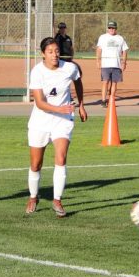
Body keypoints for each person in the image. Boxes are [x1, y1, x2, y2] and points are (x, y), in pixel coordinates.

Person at [26, 36, 87, 218]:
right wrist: (59, 108)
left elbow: (78, 81)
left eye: (57, 51)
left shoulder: (69, 68)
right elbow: (39, 102)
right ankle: (33, 197)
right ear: (43, 54)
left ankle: (57, 200)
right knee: (36, 164)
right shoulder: (37, 72)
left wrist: (82, 104)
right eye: (50, 52)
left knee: (61, 158)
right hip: (40, 120)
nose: (54, 55)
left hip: (63, 120)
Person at [95, 20, 129, 107]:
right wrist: (98, 61)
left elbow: (124, 51)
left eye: (113, 28)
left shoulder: (120, 38)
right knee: (105, 82)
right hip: (106, 64)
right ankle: (103, 100)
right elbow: (99, 50)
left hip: (116, 65)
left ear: (116, 28)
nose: (111, 29)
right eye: (109, 28)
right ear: (107, 29)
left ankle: (111, 100)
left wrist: (124, 62)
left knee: (114, 83)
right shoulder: (102, 37)